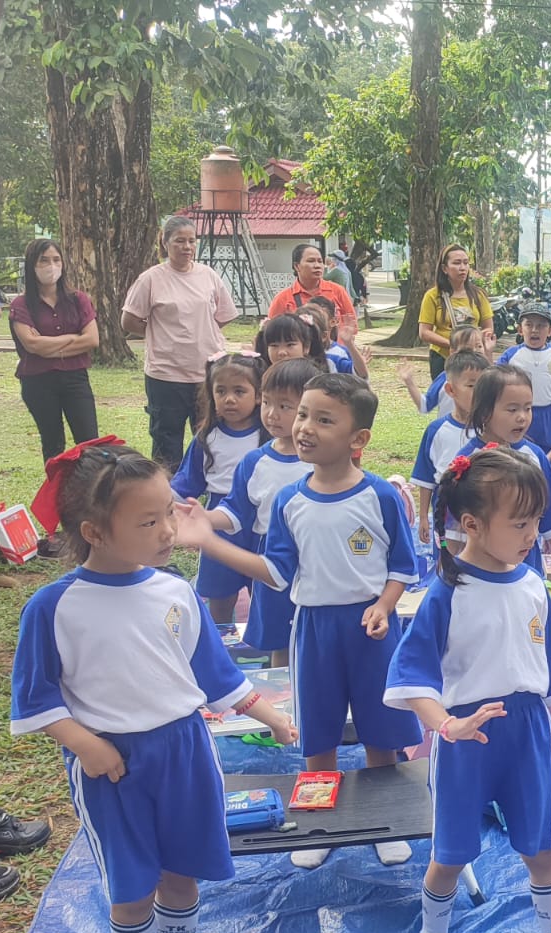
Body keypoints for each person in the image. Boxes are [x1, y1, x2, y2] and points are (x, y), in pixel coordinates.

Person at [13, 440, 296, 933]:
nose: (168, 530)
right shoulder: (53, 608)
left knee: (182, 873)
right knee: (132, 887)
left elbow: (215, 674)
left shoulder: (175, 592)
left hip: (186, 753)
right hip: (112, 767)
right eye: (148, 522)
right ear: (94, 533)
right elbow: (36, 698)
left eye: (169, 512)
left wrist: (272, 716)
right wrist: (86, 745)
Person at [173, 374, 422, 870]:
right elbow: (276, 572)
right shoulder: (290, 500)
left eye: (324, 419)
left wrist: (384, 605)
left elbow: (403, 567)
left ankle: (384, 820)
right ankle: (319, 824)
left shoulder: (380, 496)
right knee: (318, 731)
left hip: (372, 631)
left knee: (381, 731)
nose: (305, 426)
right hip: (314, 630)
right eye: (303, 414)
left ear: (358, 438)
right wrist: (209, 542)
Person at [385, 446, 551, 933]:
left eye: (537, 521)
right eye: (521, 523)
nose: (534, 535)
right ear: (472, 525)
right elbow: (411, 676)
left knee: (541, 848)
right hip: (466, 738)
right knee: (450, 852)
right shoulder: (446, 592)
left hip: (527, 735)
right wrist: (446, 725)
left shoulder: (533, 586)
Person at [209, 359, 317, 667]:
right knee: (278, 635)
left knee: (313, 632)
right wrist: (202, 519)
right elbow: (235, 511)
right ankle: (283, 685)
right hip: (270, 558)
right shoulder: (254, 461)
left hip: (315, 556)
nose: (272, 414)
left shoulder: (323, 460)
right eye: (267, 402)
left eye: (285, 406)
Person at [122, 216, 239, 469]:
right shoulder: (151, 279)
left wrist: (201, 331)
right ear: (165, 243)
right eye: (179, 241)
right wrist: (159, 333)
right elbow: (129, 320)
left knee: (210, 437)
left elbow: (224, 315)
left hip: (206, 372)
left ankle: (209, 484)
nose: (186, 247)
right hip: (166, 375)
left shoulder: (208, 276)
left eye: (191, 241)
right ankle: (168, 488)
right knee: (166, 443)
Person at [456, 368, 551, 593]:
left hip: (526, 565)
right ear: (485, 412)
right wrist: (450, 565)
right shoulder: (468, 461)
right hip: (478, 572)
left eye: (528, 408)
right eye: (512, 409)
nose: (522, 416)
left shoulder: (535, 456)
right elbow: (452, 526)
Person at [171, 352, 265, 625]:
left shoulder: (270, 437)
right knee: (220, 598)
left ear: (258, 395)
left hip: (261, 524)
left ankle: (262, 644)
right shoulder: (207, 438)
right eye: (221, 391)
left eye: (239, 391)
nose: (229, 399)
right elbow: (186, 483)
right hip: (218, 523)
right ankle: (219, 640)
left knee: (262, 594)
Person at [8, 238, 100, 467]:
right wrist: (72, 337)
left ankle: (90, 487)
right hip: (38, 382)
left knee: (89, 442)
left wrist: (48, 346)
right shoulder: (21, 304)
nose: (52, 266)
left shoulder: (78, 299)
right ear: (32, 265)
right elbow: (32, 345)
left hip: (75, 378)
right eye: (44, 260)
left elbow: (92, 339)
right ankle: (57, 488)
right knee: (53, 444)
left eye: (56, 260)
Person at [412, 349, 490, 554]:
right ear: (450, 390)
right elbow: (425, 478)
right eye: (471, 386)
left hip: (485, 517)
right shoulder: (437, 430)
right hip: (446, 518)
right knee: (448, 564)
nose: (479, 393)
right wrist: (423, 517)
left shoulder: (494, 429)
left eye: (484, 387)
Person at [498, 303, 551, 451]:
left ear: (550, 331)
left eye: (541, 326)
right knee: (516, 450)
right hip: (517, 412)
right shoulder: (511, 354)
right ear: (520, 329)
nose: (535, 330)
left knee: (545, 451)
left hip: (546, 414)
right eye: (529, 325)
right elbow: (494, 380)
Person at [420, 245, 494, 379]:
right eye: (457, 263)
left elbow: (488, 328)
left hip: (474, 358)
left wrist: (476, 343)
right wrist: (454, 345)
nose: (462, 267)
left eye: (466, 263)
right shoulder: (433, 296)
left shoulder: (478, 295)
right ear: (444, 268)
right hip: (443, 357)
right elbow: (424, 332)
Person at [267, 243, 358, 337]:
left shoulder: (338, 291)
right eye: (311, 261)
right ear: (297, 266)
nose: (317, 265)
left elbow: (352, 326)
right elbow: (270, 332)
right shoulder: (282, 299)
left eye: (320, 261)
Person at [399, 325, 486, 417]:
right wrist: (409, 382)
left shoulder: (488, 377)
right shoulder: (445, 378)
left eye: (479, 346)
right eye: (468, 349)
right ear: (452, 351)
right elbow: (424, 406)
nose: (475, 351)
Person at [303, 295, 368, 378]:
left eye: (319, 317)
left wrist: (350, 345)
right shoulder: (297, 352)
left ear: (333, 321)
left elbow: (360, 375)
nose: (311, 323)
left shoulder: (339, 354)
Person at [255, 312, 328, 370]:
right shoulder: (259, 377)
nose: (281, 352)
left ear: (306, 347)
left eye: (290, 345)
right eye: (274, 345)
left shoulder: (315, 379)